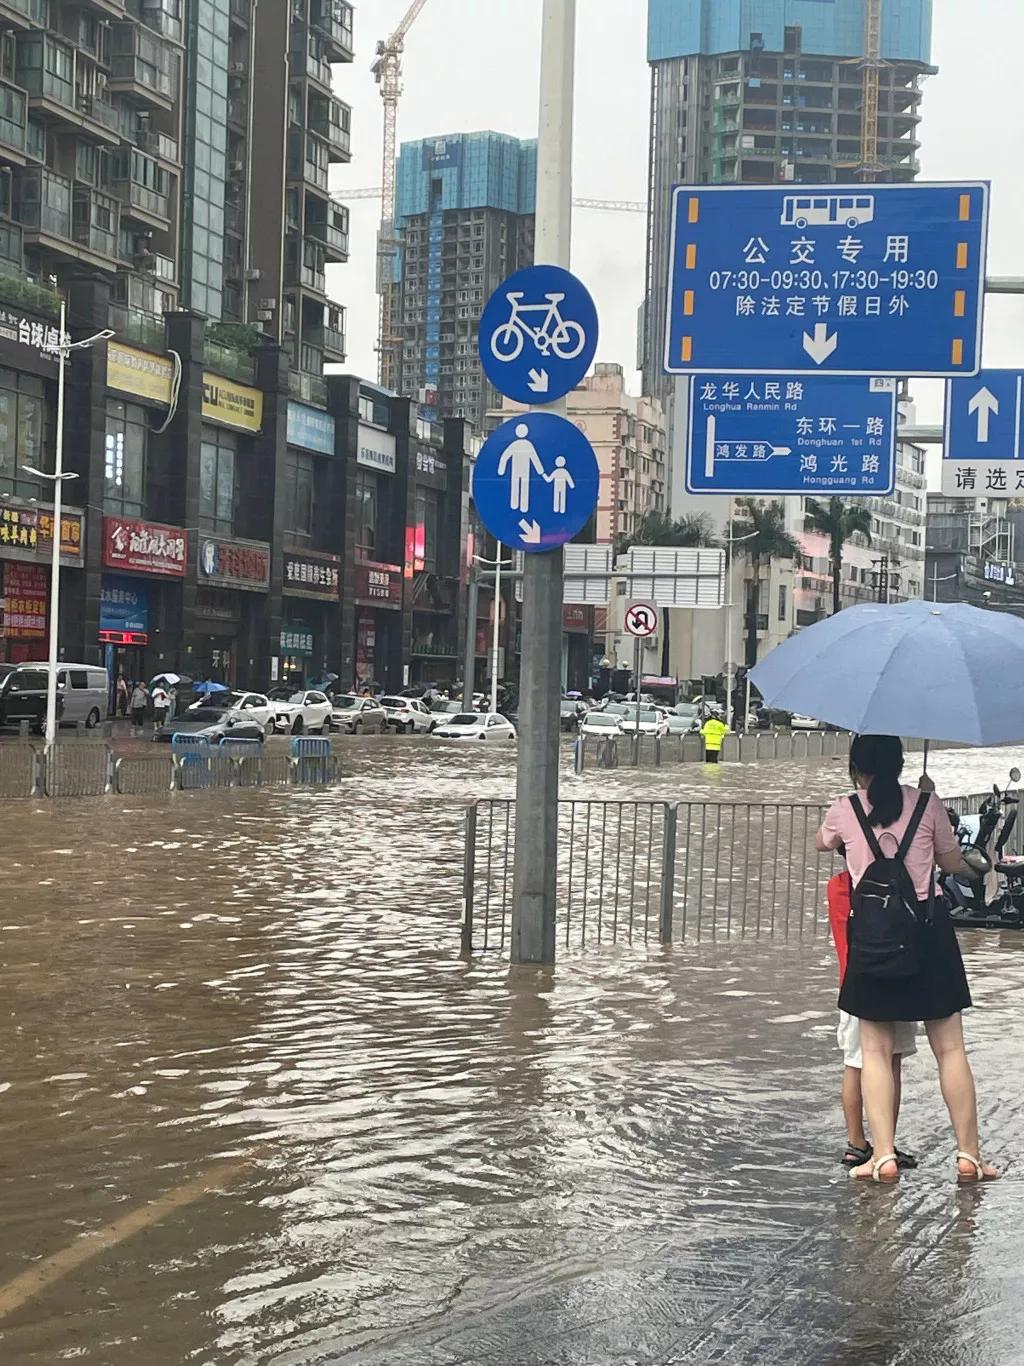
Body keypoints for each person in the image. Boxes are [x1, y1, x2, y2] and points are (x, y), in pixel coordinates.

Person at [817, 735, 999, 1185]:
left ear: (856, 768)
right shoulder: (927, 803)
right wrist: (924, 798)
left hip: (874, 936)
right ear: (899, 764)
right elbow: (953, 863)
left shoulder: (845, 808)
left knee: (875, 1052)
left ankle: (882, 1157)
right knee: (951, 1049)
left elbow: (824, 842)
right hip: (929, 933)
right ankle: (969, 1157)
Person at [827, 856, 917, 1171]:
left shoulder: (840, 887)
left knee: (857, 1062)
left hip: (854, 985)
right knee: (889, 1061)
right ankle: (882, 1145)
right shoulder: (900, 885)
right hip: (895, 979)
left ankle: (860, 1143)